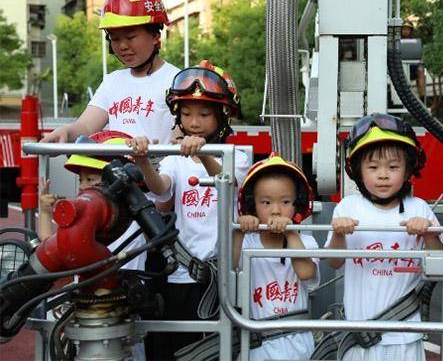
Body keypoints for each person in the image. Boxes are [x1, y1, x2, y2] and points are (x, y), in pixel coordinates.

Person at [127, 61, 249, 359]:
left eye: (204, 114)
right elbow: (161, 188)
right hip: (182, 272)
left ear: (223, 116)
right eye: (186, 113)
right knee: (179, 347)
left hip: (224, 273)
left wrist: (204, 153)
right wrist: (143, 159)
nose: (194, 121)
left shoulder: (238, 155)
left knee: (221, 347)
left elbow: (229, 181)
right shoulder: (174, 159)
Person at [325, 113, 443, 361]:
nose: (383, 175)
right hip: (358, 335)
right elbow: (333, 262)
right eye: (373, 167)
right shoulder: (347, 207)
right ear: (357, 170)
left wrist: (428, 232)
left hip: (405, 335)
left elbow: (440, 265)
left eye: (393, 167)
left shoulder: (420, 208)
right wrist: (338, 233)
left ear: (408, 169)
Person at [38, 130, 147, 360]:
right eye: (81, 180)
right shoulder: (81, 223)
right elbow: (52, 248)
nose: (82, 187)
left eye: (91, 180)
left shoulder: (137, 220)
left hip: (123, 316)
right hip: (87, 314)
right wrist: (46, 213)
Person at [41, 0, 180, 145]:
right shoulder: (112, 82)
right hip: (117, 170)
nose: (122, 46)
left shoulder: (178, 81)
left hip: (159, 171)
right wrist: (64, 132)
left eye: (130, 37)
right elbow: (86, 126)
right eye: (114, 38)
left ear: (155, 36)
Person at [232, 153, 319, 360]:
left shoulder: (305, 242)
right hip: (256, 346)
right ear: (252, 205)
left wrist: (290, 232)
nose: (276, 211)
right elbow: (228, 270)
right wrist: (239, 231)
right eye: (266, 203)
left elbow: (306, 273)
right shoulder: (247, 242)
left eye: (286, 201)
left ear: (297, 204)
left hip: (298, 345)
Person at [400, 19, 427, 100]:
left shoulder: (416, 42)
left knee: (421, 70)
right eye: (404, 29)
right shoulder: (396, 41)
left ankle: (422, 96)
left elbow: (420, 55)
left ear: (411, 31)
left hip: (413, 66)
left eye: (407, 29)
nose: (405, 31)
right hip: (400, 66)